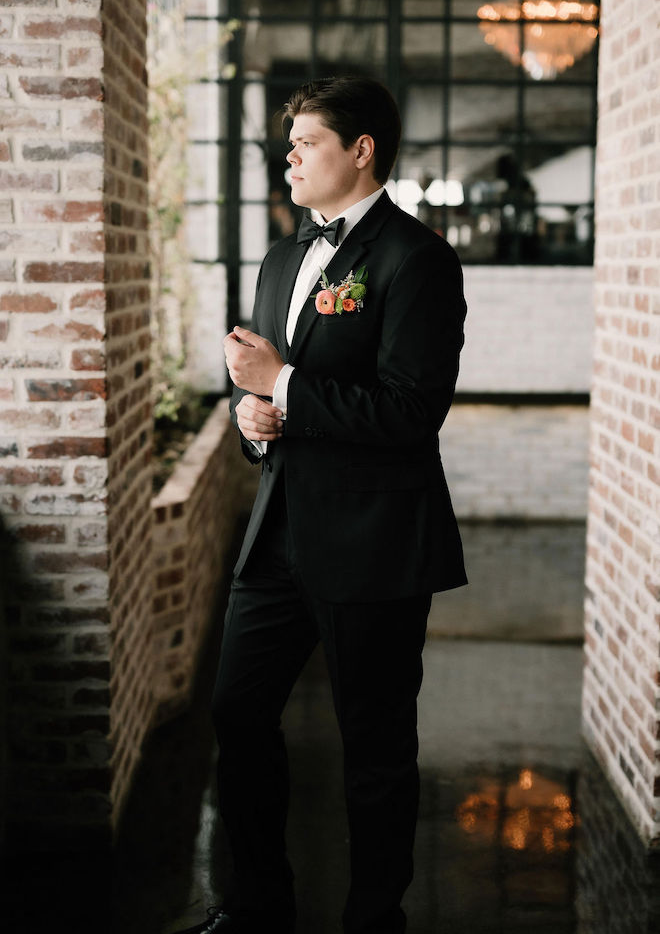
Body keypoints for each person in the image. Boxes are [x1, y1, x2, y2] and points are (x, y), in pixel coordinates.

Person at [176, 76, 467, 934]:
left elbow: (411, 413)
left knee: (375, 746)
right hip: (277, 536)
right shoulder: (280, 259)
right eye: (290, 145)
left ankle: (375, 919)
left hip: (375, 542)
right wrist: (253, 419)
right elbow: (266, 397)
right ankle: (257, 903)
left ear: (361, 150)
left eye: (306, 143)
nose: (290, 159)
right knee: (237, 713)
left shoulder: (418, 260)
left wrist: (284, 384)